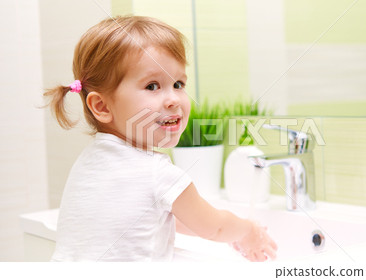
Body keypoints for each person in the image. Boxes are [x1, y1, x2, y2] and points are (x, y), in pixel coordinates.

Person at [44, 16, 277, 262]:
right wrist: (249, 231)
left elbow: (160, 216)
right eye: (153, 86)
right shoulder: (157, 173)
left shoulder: (88, 163)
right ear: (101, 106)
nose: (173, 99)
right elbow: (214, 227)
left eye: (178, 84)